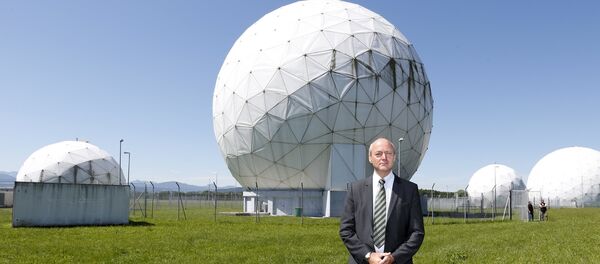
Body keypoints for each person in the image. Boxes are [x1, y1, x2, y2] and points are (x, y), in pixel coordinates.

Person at [340, 138, 425, 264]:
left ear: (394, 157)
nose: (384, 157)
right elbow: (346, 230)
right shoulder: (355, 189)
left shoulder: (410, 190)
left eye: (388, 153)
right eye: (378, 154)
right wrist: (368, 255)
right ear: (370, 158)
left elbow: (417, 232)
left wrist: (394, 257)